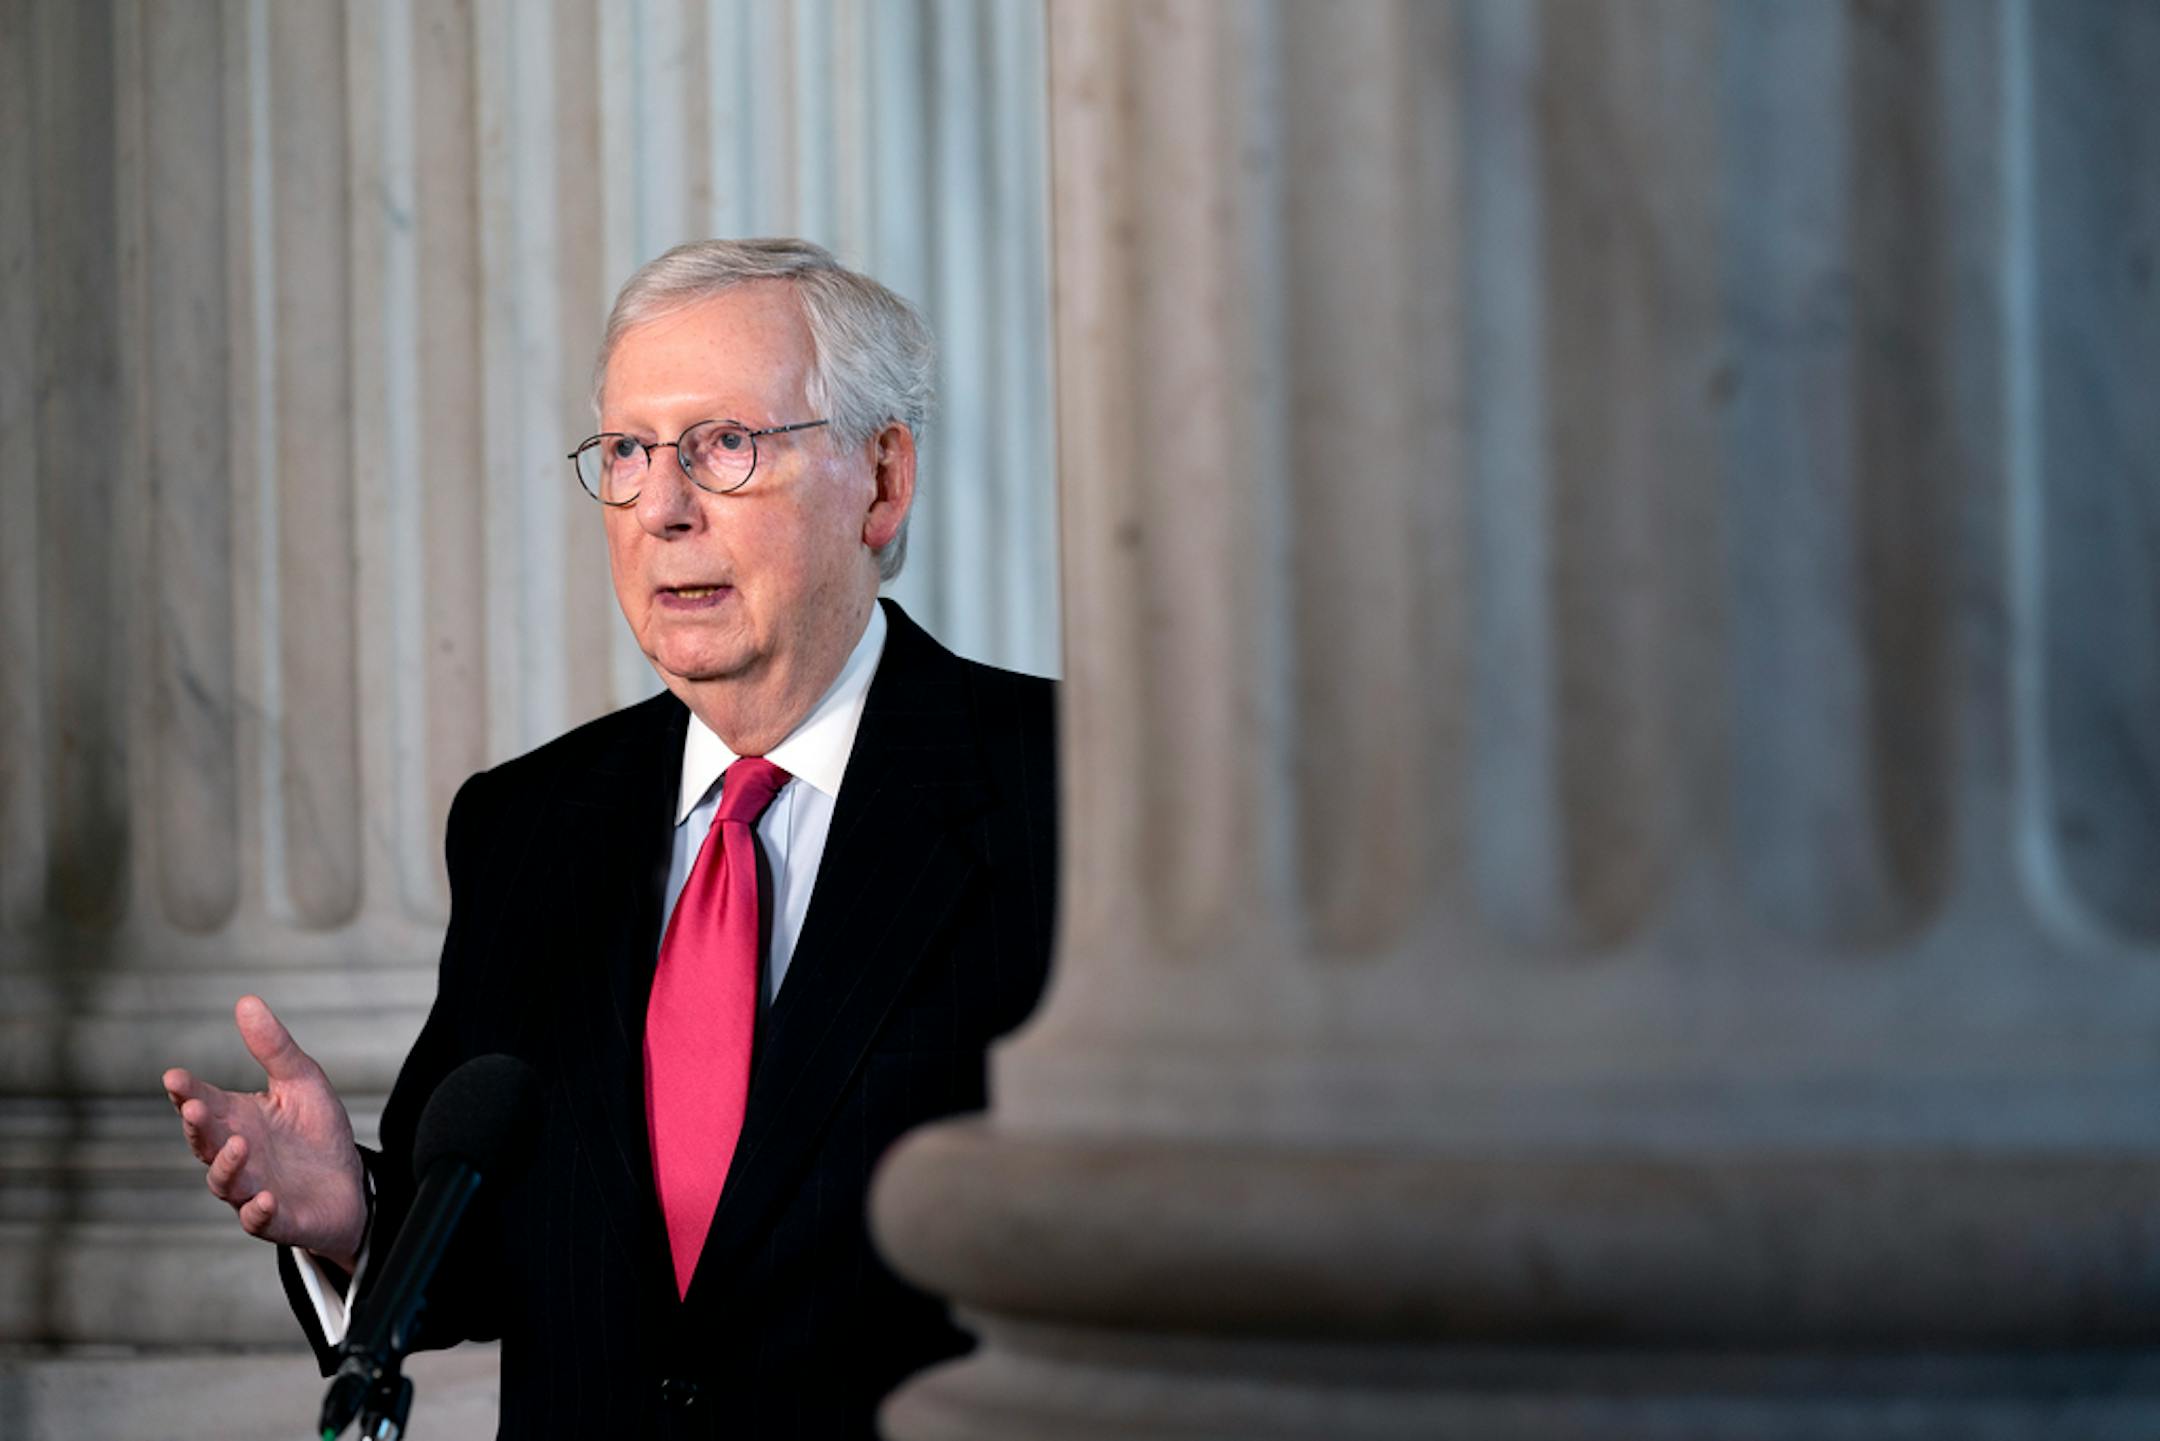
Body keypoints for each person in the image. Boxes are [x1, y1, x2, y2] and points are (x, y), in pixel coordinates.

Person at [161, 238, 1057, 1439]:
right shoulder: (528, 827)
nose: (664, 511)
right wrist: (356, 1218)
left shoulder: (1071, 791)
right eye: (630, 455)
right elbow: (493, 1254)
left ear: (883, 480)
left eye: (726, 446)